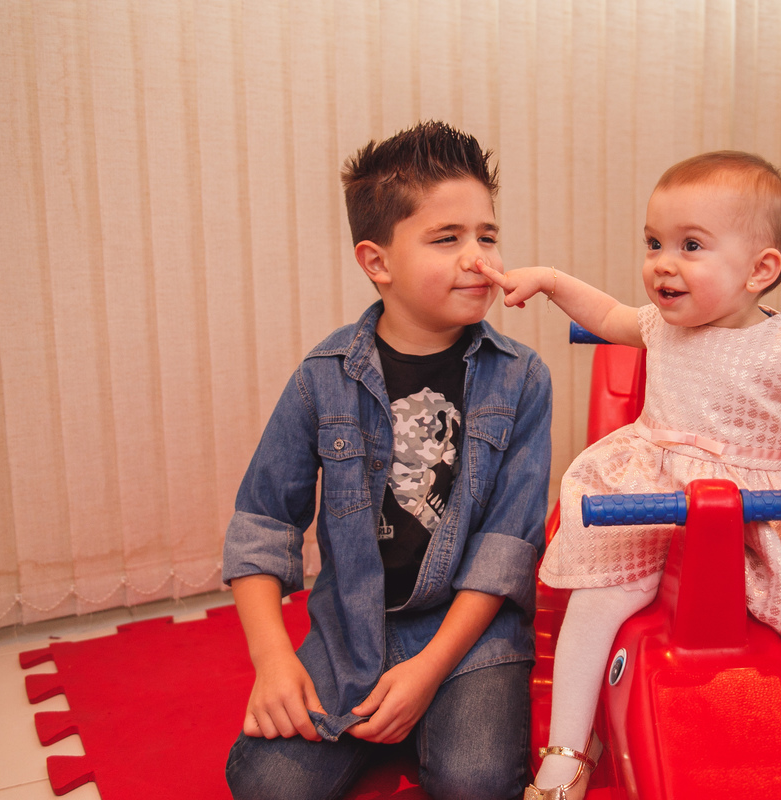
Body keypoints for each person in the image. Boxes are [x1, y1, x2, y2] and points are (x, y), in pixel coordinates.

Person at [478, 151, 781, 800]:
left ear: (761, 269)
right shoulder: (661, 326)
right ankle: (565, 754)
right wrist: (554, 281)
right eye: (654, 242)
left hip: (761, 514)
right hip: (658, 503)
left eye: (690, 245)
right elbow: (611, 316)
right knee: (597, 600)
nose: (662, 263)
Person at [222, 121, 552, 800]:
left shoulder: (522, 379)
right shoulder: (323, 377)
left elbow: (505, 551)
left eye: (487, 236)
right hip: (353, 627)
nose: (479, 258)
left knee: (476, 783)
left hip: (471, 630)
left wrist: (429, 671)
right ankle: (396, 719)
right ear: (377, 262)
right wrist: (274, 661)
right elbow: (263, 523)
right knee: (265, 784)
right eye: (447, 238)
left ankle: (423, 714)